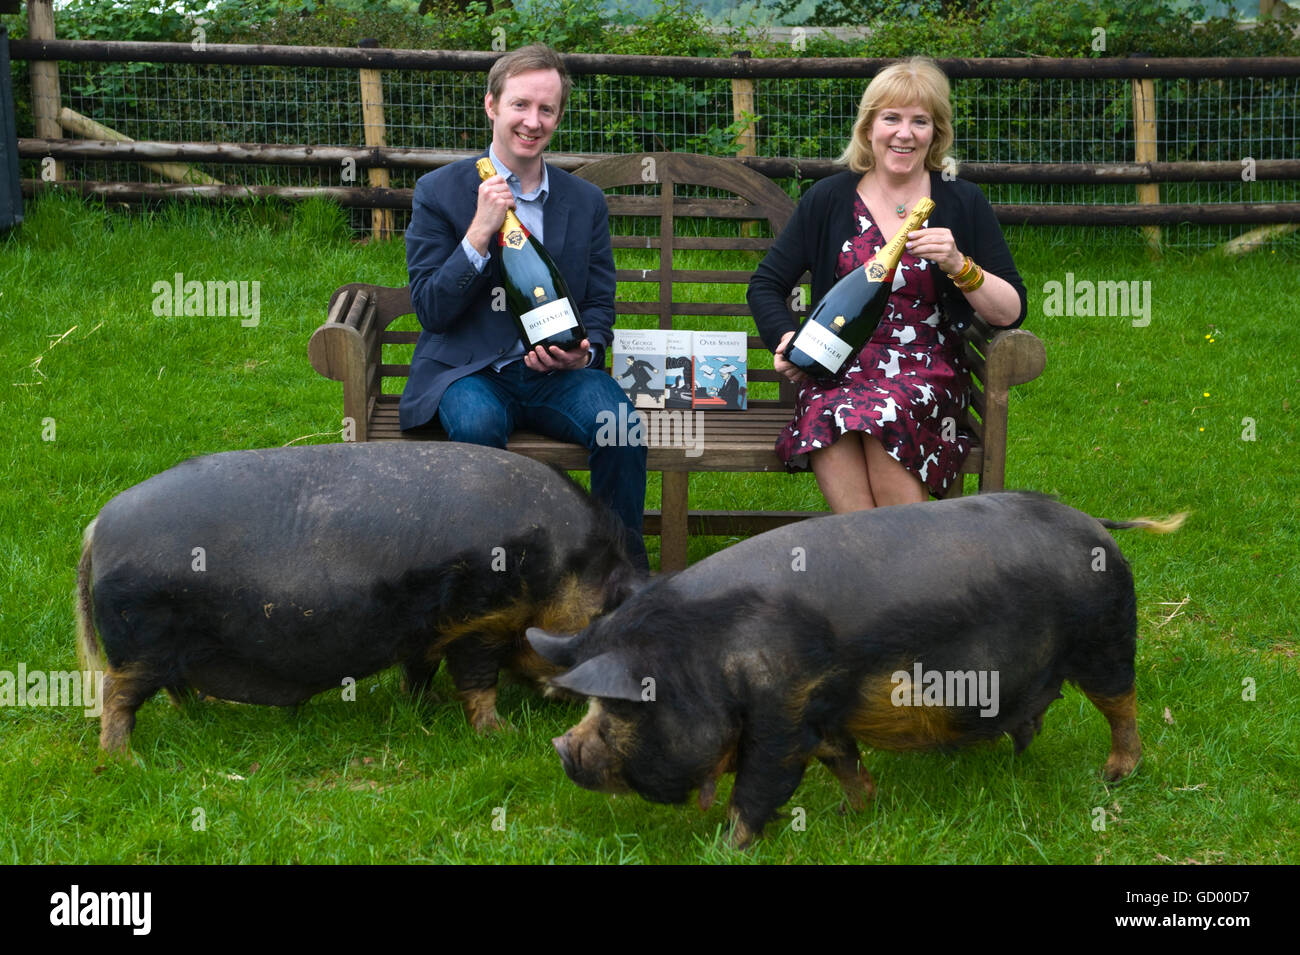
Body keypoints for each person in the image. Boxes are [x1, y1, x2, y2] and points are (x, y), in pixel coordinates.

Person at [400, 43, 648, 568]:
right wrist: (478, 232)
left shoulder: (584, 201)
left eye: (546, 109)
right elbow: (432, 310)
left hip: (556, 375)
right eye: (520, 105)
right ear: (491, 105)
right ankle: (489, 577)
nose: (533, 122)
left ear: (558, 116)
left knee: (621, 427)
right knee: (476, 427)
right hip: (471, 372)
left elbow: (598, 301)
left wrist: (586, 352)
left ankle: (617, 579)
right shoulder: (439, 192)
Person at [747, 56, 1027, 509]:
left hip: (925, 370)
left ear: (935, 132)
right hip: (837, 366)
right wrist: (787, 339)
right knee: (831, 409)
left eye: (920, 121)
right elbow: (765, 285)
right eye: (891, 118)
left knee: (885, 410)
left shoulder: (962, 200)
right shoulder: (829, 198)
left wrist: (959, 264)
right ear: (869, 127)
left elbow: (1010, 311)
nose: (904, 133)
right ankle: (884, 554)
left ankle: (891, 553)